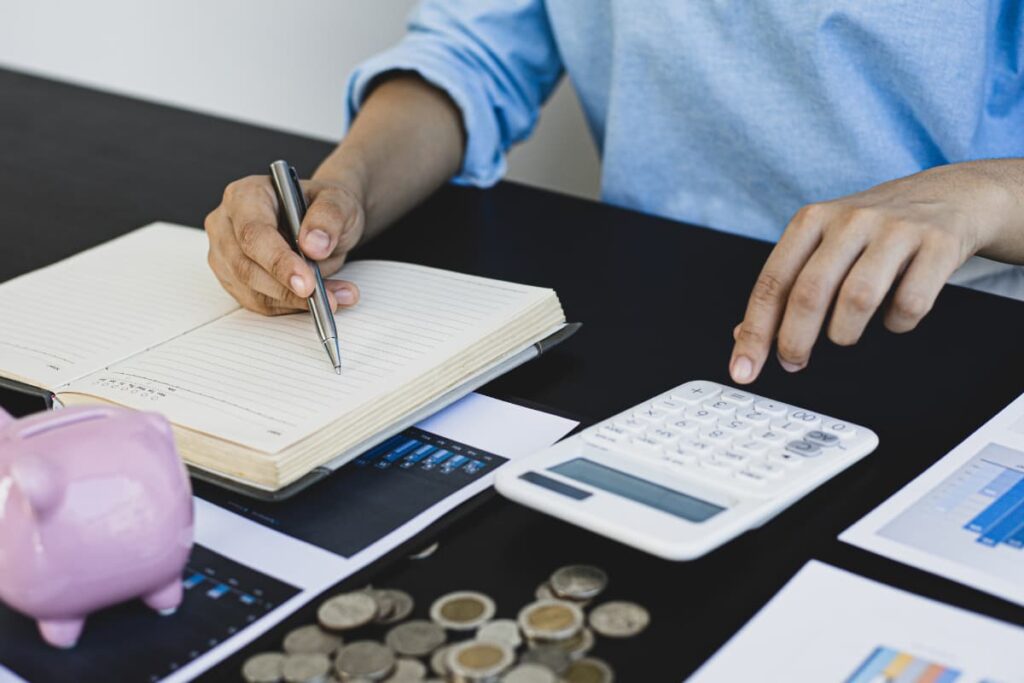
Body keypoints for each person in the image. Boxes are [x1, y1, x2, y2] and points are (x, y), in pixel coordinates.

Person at [204, 1, 1024, 385]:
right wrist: (345, 188)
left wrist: (980, 195)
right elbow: (474, 54)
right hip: (656, 315)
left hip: (954, 328)